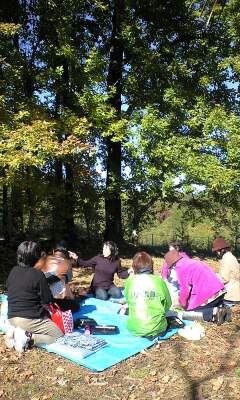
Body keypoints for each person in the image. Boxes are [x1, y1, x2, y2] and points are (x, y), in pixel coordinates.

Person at [6, 241, 63, 352]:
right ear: (35, 257)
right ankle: (28, 337)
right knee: (59, 335)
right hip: (29, 319)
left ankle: (15, 331)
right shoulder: (38, 274)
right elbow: (47, 300)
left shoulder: (13, 271)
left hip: (11, 317)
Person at [164, 250, 231, 325]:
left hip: (209, 293)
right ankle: (223, 309)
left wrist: (182, 304)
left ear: (172, 265)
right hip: (219, 290)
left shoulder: (180, 267)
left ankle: (214, 313)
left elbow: (185, 290)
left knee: (189, 314)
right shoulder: (191, 262)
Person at [124, 251, 172, 338]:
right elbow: (168, 303)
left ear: (134, 267)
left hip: (134, 328)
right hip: (158, 328)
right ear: (151, 265)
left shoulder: (129, 281)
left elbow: (128, 300)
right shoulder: (159, 281)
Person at [212, 238, 240, 304]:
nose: (217, 253)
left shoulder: (226, 259)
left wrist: (212, 278)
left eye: (217, 251)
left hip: (230, 295)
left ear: (222, 250)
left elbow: (224, 278)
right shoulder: (231, 257)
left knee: (226, 313)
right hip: (235, 292)